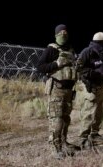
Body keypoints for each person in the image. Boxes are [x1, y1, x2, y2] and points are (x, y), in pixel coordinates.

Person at [37, 24, 80, 159]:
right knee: (56, 120)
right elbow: (40, 67)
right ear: (56, 35)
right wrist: (56, 64)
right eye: (61, 32)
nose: (64, 34)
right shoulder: (51, 49)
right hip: (56, 89)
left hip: (69, 91)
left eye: (66, 32)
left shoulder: (71, 50)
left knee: (66, 119)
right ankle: (55, 148)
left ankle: (64, 143)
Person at [76, 32, 103, 148]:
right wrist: (93, 75)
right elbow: (79, 68)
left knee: (98, 114)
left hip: (100, 87)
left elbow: (102, 68)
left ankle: (94, 134)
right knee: (88, 114)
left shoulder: (101, 53)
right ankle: (83, 139)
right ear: (100, 42)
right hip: (91, 87)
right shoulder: (87, 52)